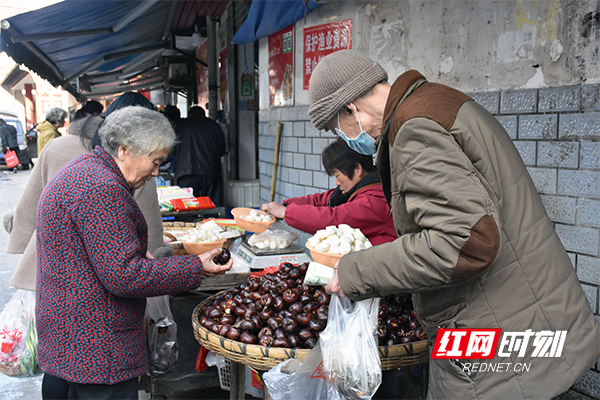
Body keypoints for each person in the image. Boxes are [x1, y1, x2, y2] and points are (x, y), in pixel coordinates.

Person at [308, 50, 600, 399]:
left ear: (351, 108)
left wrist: (357, 271)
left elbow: (464, 241)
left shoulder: (415, 129)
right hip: (534, 312)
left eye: (337, 128)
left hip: (497, 332)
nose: (343, 139)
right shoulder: (439, 101)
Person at [35, 106, 232, 399]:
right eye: (154, 161)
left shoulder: (84, 171)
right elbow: (125, 276)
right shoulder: (100, 188)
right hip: (96, 351)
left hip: (69, 340)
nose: (155, 172)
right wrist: (195, 266)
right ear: (124, 150)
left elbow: (100, 256)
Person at [261, 138, 395, 245]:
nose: (336, 182)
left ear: (357, 169)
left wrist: (286, 213)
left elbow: (334, 219)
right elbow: (321, 200)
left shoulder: (377, 199)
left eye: (337, 175)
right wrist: (285, 206)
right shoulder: (357, 190)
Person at [173, 105, 226, 205]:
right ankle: (211, 220)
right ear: (204, 114)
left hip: (186, 173)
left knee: (187, 206)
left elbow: (172, 148)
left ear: (189, 115)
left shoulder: (181, 125)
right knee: (212, 205)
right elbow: (222, 149)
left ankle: (189, 221)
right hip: (211, 171)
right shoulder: (213, 125)